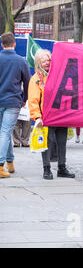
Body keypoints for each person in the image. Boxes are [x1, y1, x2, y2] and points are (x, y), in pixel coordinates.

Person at [28, 49, 75, 180]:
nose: (47, 62)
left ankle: (62, 167)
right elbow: (33, 100)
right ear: (38, 62)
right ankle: (46, 169)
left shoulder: (58, 75)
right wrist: (37, 117)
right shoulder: (36, 79)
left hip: (60, 116)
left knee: (62, 141)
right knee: (46, 143)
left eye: (48, 60)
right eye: (43, 60)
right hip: (46, 117)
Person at [0, 32, 30, 178]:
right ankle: (0, 166)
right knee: (5, 132)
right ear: (14, 44)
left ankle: (10, 162)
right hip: (13, 101)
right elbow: (27, 81)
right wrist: (25, 98)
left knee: (4, 132)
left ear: (1, 44)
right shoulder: (21, 61)